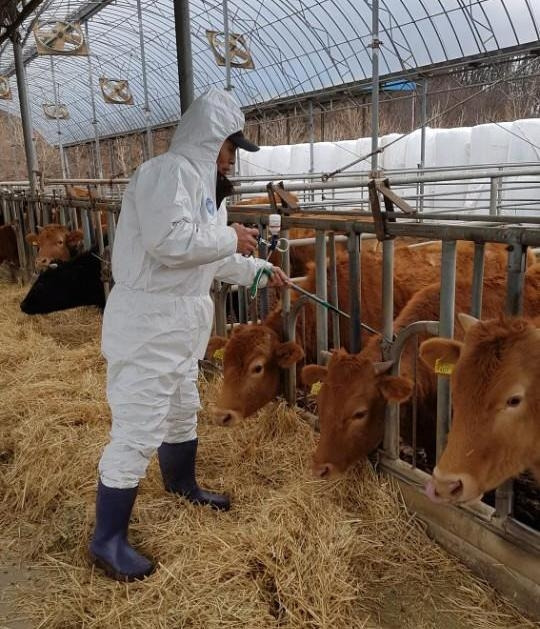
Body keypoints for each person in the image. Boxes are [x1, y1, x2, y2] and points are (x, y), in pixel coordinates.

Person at [89, 87, 288, 582]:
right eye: (231, 148)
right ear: (211, 140)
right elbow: (169, 242)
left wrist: (257, 269)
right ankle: (107, 539)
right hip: (148, 323)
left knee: (181, 410)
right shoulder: (166, 173)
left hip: (180, 325)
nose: (233, 160)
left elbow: (211, 256)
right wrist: (230, 236)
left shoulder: (205, 193)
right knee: (138, 427)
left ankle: (183, 485)